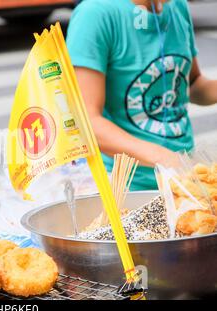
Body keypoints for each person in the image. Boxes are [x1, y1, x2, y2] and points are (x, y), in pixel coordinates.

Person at [66, 0, 217, 190]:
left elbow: (191, 85)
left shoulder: (178, 6)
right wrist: (166, 159)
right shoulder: (95, 14)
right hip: (124, 187)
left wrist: (180, 168)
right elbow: (86, 121)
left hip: (184, 181)